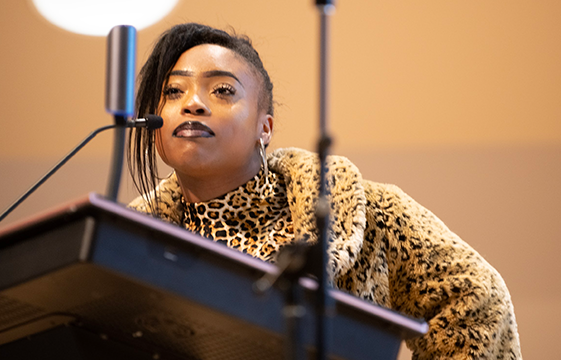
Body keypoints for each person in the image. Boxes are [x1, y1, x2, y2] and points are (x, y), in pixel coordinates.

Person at [128, 23, 521, 359]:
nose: (192, 103)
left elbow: (478, 299)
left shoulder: (367, 212)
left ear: (264, 128)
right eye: (173, 92)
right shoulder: (127, 243)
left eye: (223, 90)